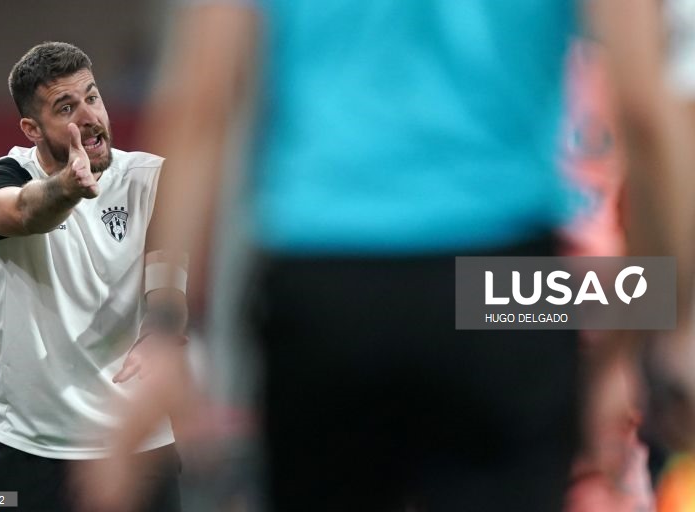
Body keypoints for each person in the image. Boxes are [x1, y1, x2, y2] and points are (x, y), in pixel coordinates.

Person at [83, 1, 695, 511]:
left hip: (326, 277)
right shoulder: (599, 82)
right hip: (497, 273)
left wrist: (162, 326)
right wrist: (650, 327)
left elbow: (200, 100)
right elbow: (649, 113)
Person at [0, 42, 192, 512]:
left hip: (138, 447)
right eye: (66, 107)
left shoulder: (149, 178)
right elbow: (25, 212)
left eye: (93, 97)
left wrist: (163, 330)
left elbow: (167, 279)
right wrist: (67, 189)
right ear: (32, 128)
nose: (89, 116)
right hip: (25, 453)